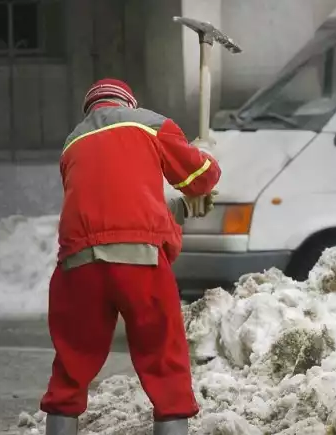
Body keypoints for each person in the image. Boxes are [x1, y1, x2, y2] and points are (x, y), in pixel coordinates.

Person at [39, 78, 222, 435]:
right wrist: (204, 154)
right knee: (163, 359)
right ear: (129, 103)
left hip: (78, 266)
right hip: (140, 263)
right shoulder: (151, 124)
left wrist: (182, 207)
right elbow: (202, 177)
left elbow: (113, 211)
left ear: (91, 109)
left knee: (71, 364)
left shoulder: (72, 144)